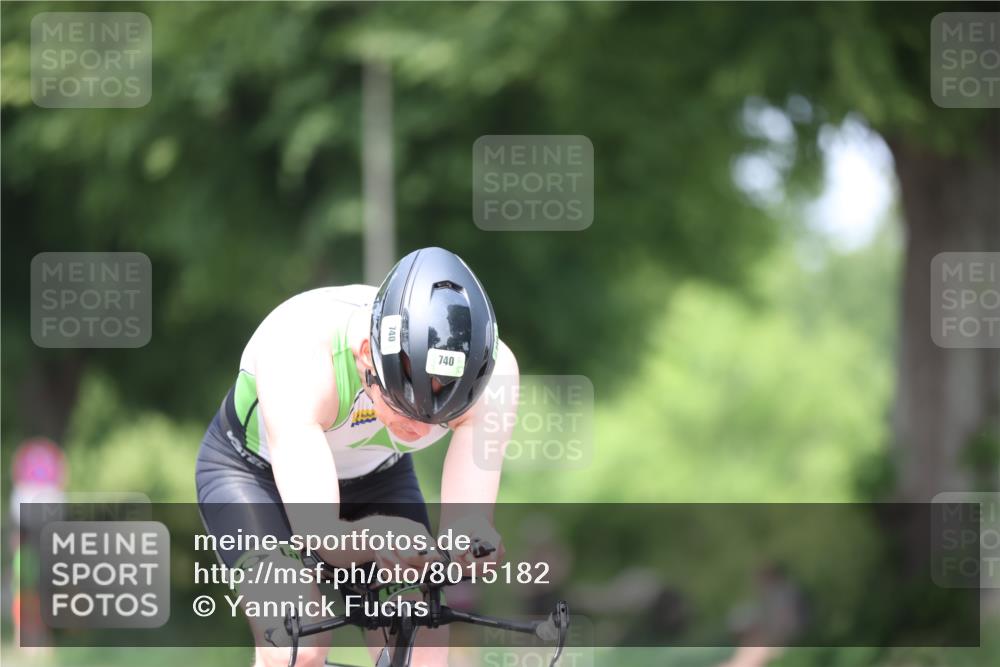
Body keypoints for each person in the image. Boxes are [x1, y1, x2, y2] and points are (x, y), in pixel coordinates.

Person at [195, 247, 519, 667]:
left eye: (443, 416)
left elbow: (465, 527)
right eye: (402, 406)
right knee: (296, 649)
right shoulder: (298, 350)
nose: (419, 430)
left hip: (378, 478)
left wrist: (472, 546)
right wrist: (379, 535)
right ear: (367, 354)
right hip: (254, 476)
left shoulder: (495, 379)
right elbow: (322, 536)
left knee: (422, 652)